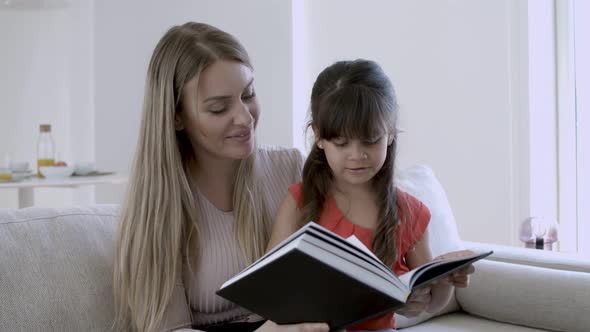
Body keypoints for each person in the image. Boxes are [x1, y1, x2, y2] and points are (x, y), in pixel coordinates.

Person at [113, 22, 331, 332]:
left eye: (248, 94)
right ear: (176, 116)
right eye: (218, 108)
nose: (244, 118)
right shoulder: (157, 209)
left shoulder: (291, 168)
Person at [268, 59, 475, 331]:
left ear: (389, 134)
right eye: (341, 143)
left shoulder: (409, 211)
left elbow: (432, 304)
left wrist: (444, 281)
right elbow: (270, 289)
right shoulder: (301, 202)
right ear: (318, 137)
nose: (357, 155)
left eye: (370, 140)